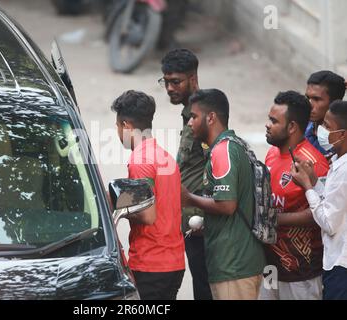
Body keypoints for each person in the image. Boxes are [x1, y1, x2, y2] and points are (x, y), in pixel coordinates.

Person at [183, 89, 266, 300]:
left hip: (234, 266)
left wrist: (189, 198)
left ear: (211, 117)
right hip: (235, 264)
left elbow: (227, 205)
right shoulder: (232, 146)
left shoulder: (223, 151)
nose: (190, 123)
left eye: (194, 116)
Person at [111, 90, 185, 300]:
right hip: (174, 263)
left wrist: (119, 206)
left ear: (126, 125)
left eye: (117, 126)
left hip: (150, 264)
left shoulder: (140, 160)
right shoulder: (166, 157)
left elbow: (148, 215)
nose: (117, 132)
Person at [260, 91, 330, 300]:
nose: (267, 125)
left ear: (291, 127)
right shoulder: (272, 154)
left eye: (274, 121)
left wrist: (273, 219)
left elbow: (323, 213)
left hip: (302, 273)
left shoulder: (314, 164)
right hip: (270, 267)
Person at [160, 48, 212, 300]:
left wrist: (205, 214)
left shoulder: (202, 115)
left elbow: (216, 166)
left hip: (200, 220)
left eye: (176, 82)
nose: (169, 88)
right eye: (166, 81)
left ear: (193, 78)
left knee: (205, 285)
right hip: (190, 216)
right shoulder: (188, 113)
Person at [291, 100, 347, 300]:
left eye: (328, 127)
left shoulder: (344, 171)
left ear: (342, 134)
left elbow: (329, 223)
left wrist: (307, 187)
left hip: (340, 265)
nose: (321, 130)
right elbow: (333, 201)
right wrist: (314, 181)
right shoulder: (337, 161)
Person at [305, 71, 346, 159]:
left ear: (335, 102)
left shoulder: (340, 145)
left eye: (316, 99)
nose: (309, 105)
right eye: (308, 98)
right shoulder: (300, 127)